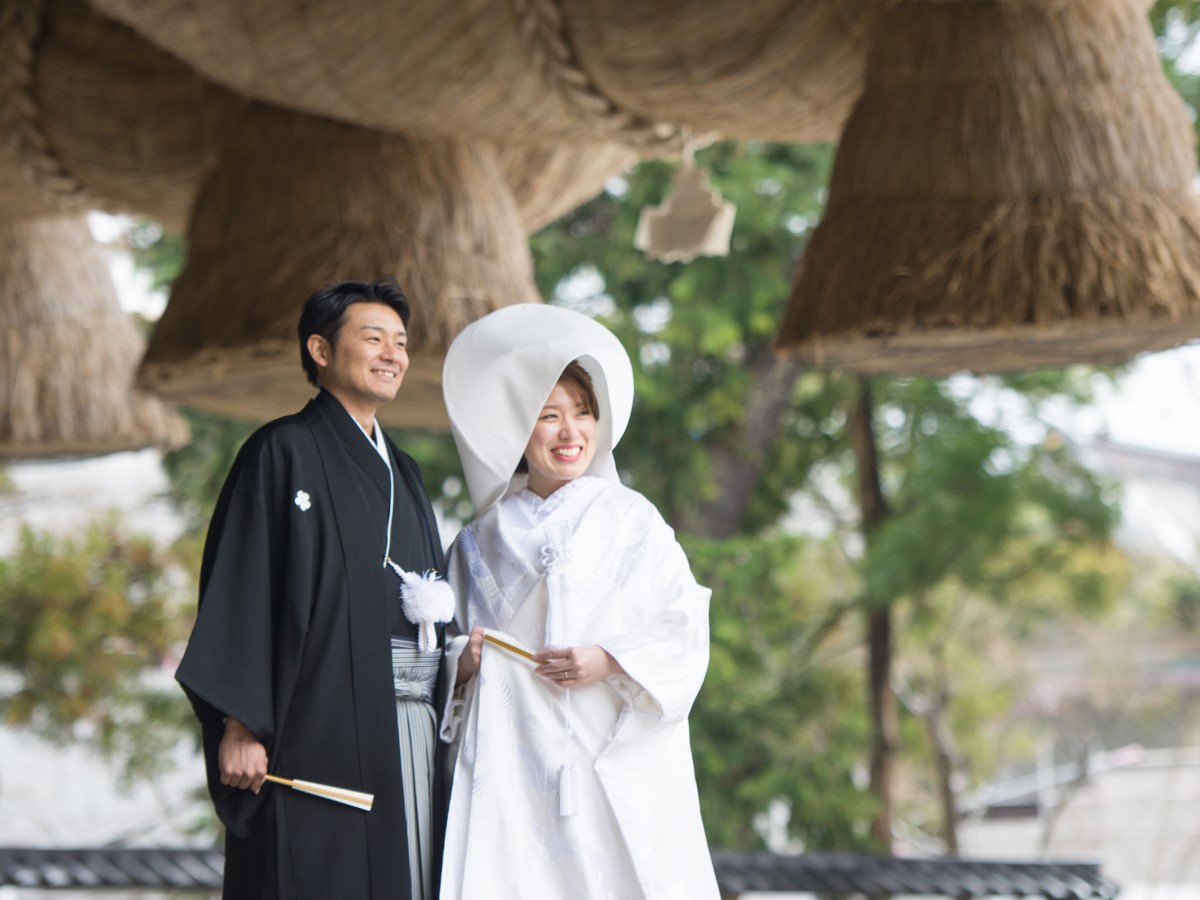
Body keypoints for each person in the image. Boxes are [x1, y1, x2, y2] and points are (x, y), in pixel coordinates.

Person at [174, 278, 453, 900]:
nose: (393, 354)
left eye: (400, 342)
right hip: (314, 728)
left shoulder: (404, 472)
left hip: (407, 727)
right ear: (320, 350)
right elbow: (241, 587)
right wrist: (239, 723)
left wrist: (463, 657)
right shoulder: (280, 453)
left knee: (410, 872)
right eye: (373, 338)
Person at [437, 304, 720, 899]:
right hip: (512, 765)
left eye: (583, 413)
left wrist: (610, 658)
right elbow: (445, 645)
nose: (571, 433)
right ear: (518, 428)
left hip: (606, 744)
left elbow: (684, 625)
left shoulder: (633, 520)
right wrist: (464, 657)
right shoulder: (477, 540)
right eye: (549, 416)